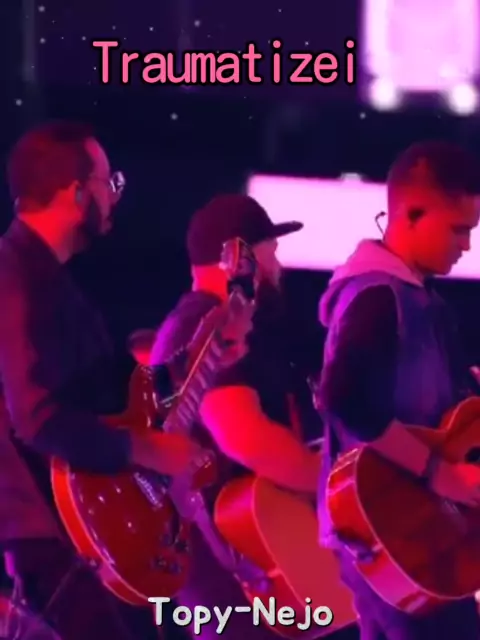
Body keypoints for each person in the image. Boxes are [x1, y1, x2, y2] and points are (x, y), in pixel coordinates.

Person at [0, 121, 200, 640]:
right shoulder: (13, 278)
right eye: (109, 183)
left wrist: (205, 350)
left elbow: (107, 395)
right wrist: (145, 449)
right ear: (75, 193)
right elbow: (35, 418)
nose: (114, 197)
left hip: (75, 527)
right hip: (47, 531)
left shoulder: (46, 278)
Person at [315, 140, 480, 639]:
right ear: (411, 214)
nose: (466, 246)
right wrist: (438, 474)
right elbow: (344, 398)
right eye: (458, 230)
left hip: (411, 534)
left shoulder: (416, 299)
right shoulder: (378, 296)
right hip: (394, 533)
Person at [150, 194, 321, 640]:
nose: (278, 266)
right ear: (241, 257)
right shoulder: (208, 323)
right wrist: (328, 486)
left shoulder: (191, 321)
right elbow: (242, 434)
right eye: (271, 251)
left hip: (231, 562)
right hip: (229, 568)